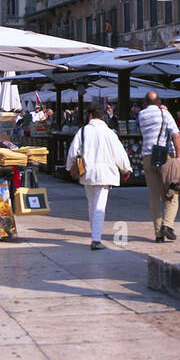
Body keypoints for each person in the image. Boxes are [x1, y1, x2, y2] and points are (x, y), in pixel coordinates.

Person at [65, 103, 132, 250]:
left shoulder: (83, 131)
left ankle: (95, 234)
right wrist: (126, 169)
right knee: (99, 206)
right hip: (105, 173)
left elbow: (72, 151)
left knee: (92, 205)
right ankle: (96, 238)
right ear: (103, 116)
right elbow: (119, 153)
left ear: (90, 115)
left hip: (87, 173)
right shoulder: (110, 133)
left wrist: (69, 168)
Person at [137, 90, 180, 242]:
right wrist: (178, 156)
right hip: (164, 155)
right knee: (172, 191)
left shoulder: (141, 115)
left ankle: (158, 234)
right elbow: (176, 135)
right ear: (159, 102)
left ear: (145, 102)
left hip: (148, 157)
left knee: (153, 196)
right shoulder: (165, 114)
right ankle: (167, 225)